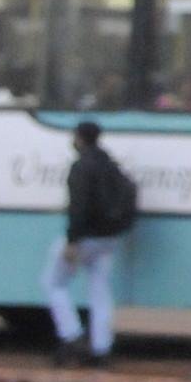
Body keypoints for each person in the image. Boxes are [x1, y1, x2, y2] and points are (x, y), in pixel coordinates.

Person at [44, 121, 128, 368]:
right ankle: (102, 348)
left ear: (79, 138)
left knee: (53, 283)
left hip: (85, 238)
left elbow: (78, 207)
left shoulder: (81, 167)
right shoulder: (111, 166)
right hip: (108, 239)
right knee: (100, 292)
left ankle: (71, 337)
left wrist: (72, 240)